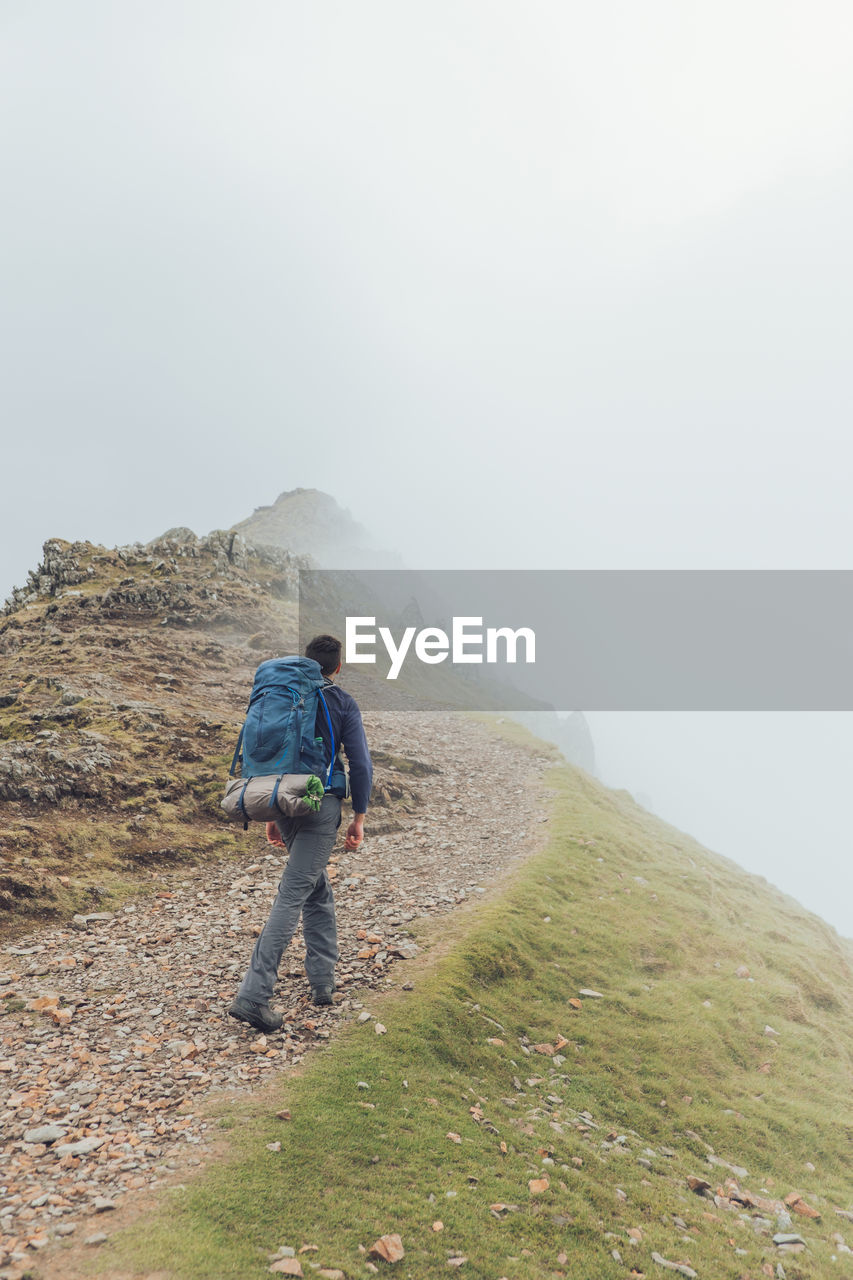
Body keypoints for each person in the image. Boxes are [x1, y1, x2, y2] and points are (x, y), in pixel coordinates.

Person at [228, 634, 372, 1032]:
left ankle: (322, 982)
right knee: (294, 892)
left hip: (282, 799)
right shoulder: (341, 701)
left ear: (307, 663)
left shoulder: (283, 692)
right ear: (337, 667)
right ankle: (253, 997)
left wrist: (275, 811)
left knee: (315, 886)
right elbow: (359, 764)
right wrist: (359, 815)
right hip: (319, 805)